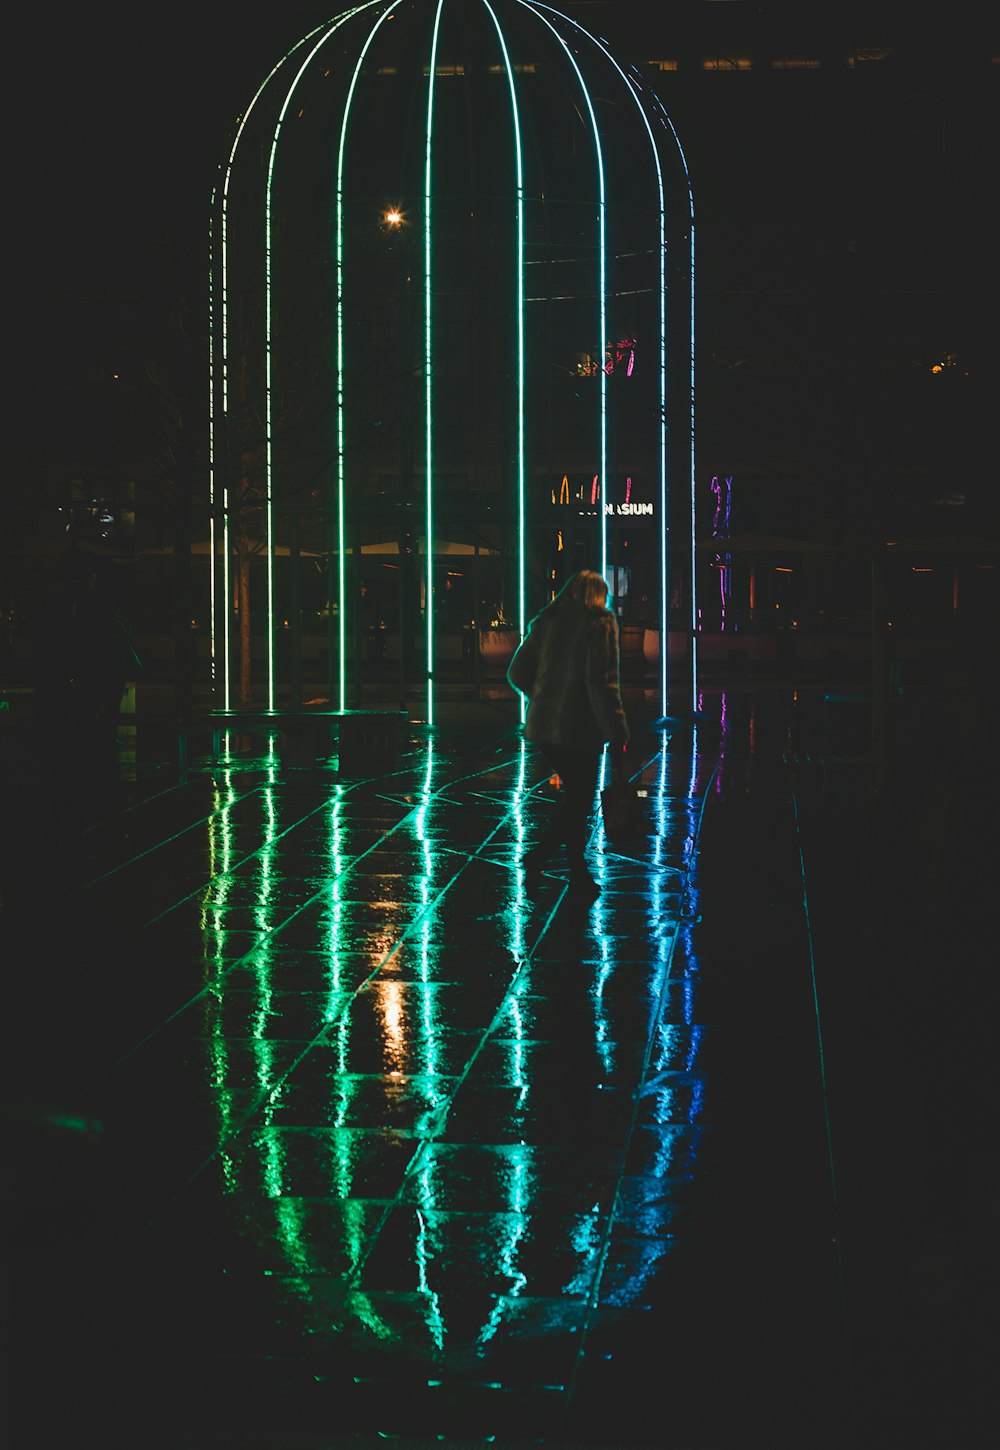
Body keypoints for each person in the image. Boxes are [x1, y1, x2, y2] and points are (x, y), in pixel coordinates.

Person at [506, 569, 629, 900]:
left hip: (545, 728)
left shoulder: (546, 622)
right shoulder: (598, 625)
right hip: (580, 728)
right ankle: (546, 860)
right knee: (579, 800)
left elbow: (516, 671)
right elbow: (601, 684)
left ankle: (572, 869)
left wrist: (544, 696)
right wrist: (617, 730)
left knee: (576, 799)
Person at [32, 547, 141, 821]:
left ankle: (66, 810)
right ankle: (98, 812)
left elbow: (44, 654)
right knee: (97, 751)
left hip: (62, 692)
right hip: (94, 691)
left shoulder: (51, 605)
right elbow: (109, 655)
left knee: (66, 753)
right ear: (90, 577)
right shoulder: (100, 605)